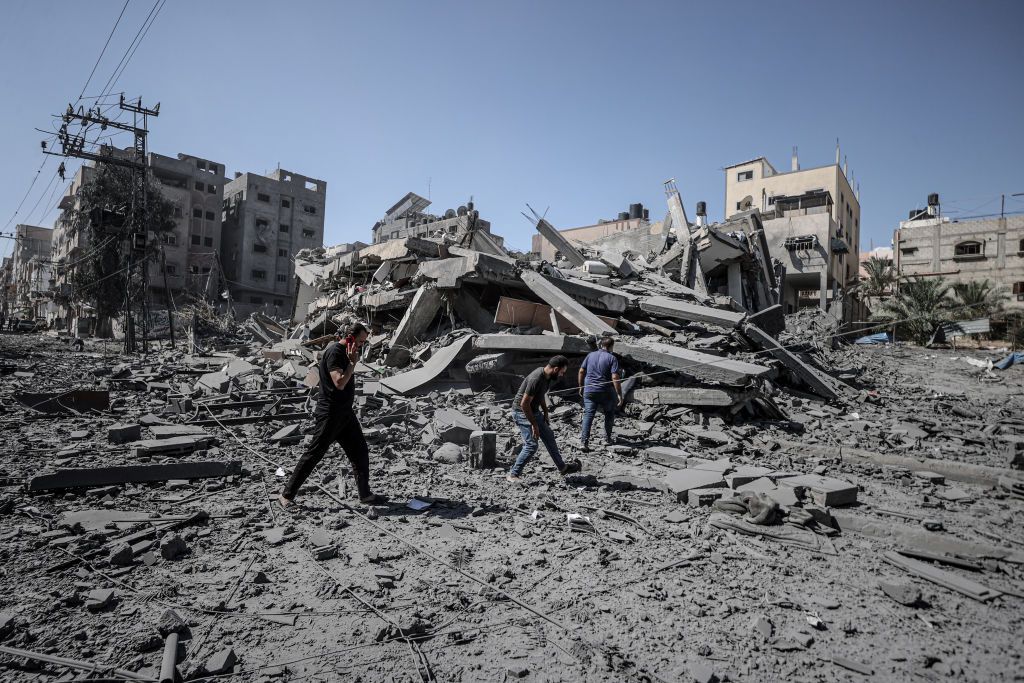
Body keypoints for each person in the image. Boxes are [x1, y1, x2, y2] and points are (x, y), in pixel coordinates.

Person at [279, 322, 383, 508]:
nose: (361, 346)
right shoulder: (336, 352)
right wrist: (352, 363)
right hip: (331, 413)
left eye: (363, 343)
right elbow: (340, 383)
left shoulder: (345, 352)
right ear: (350, 337)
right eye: (360, 342)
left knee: (360, 452)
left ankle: (365, 495)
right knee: (314, 454)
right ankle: (286, 495)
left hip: (345, 413)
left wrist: (351, 361)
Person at [507, 355, 581, 482]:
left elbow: (540, 395)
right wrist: (534, 425)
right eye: (562, 372)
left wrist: (545, 412)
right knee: (531, 445)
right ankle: (513, 474)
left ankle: (562, 468)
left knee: (549, 436)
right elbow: (524, 404)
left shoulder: (546, 377)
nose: (562, 375)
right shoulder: (536, 378)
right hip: (521, 412)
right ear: (556, 369)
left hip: (534, 411)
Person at [578, 336, 624, 451]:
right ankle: (607, 439)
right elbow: (614, 376)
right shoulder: (612, 358)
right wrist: (619, 394)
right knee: (609, 413)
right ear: (611, 346)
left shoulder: (590, 355)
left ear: (600, 344)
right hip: (605, 391)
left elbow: (581, 371)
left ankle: (584, 442)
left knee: (588, 415)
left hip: (589, 390)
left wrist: (581, 386)